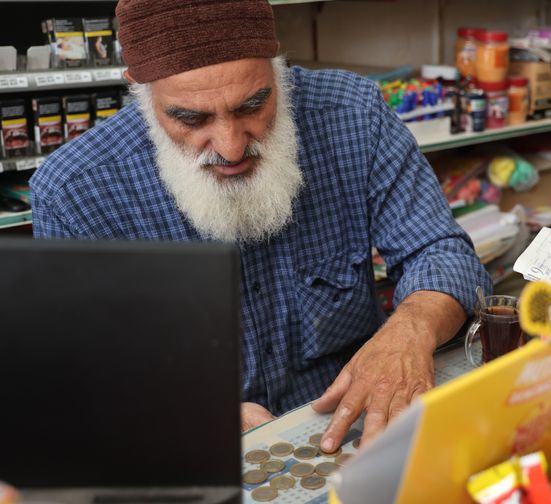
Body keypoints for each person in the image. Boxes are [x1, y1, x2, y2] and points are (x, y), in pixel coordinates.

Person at [30, 0, 491, 453]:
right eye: (191, 118)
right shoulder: (75, 191)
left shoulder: (353, 114)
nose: (231, 148)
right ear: (139, 89)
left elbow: (441, 251)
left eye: (254, 105)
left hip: (355, 429)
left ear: (277, 66)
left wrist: (409, 331)